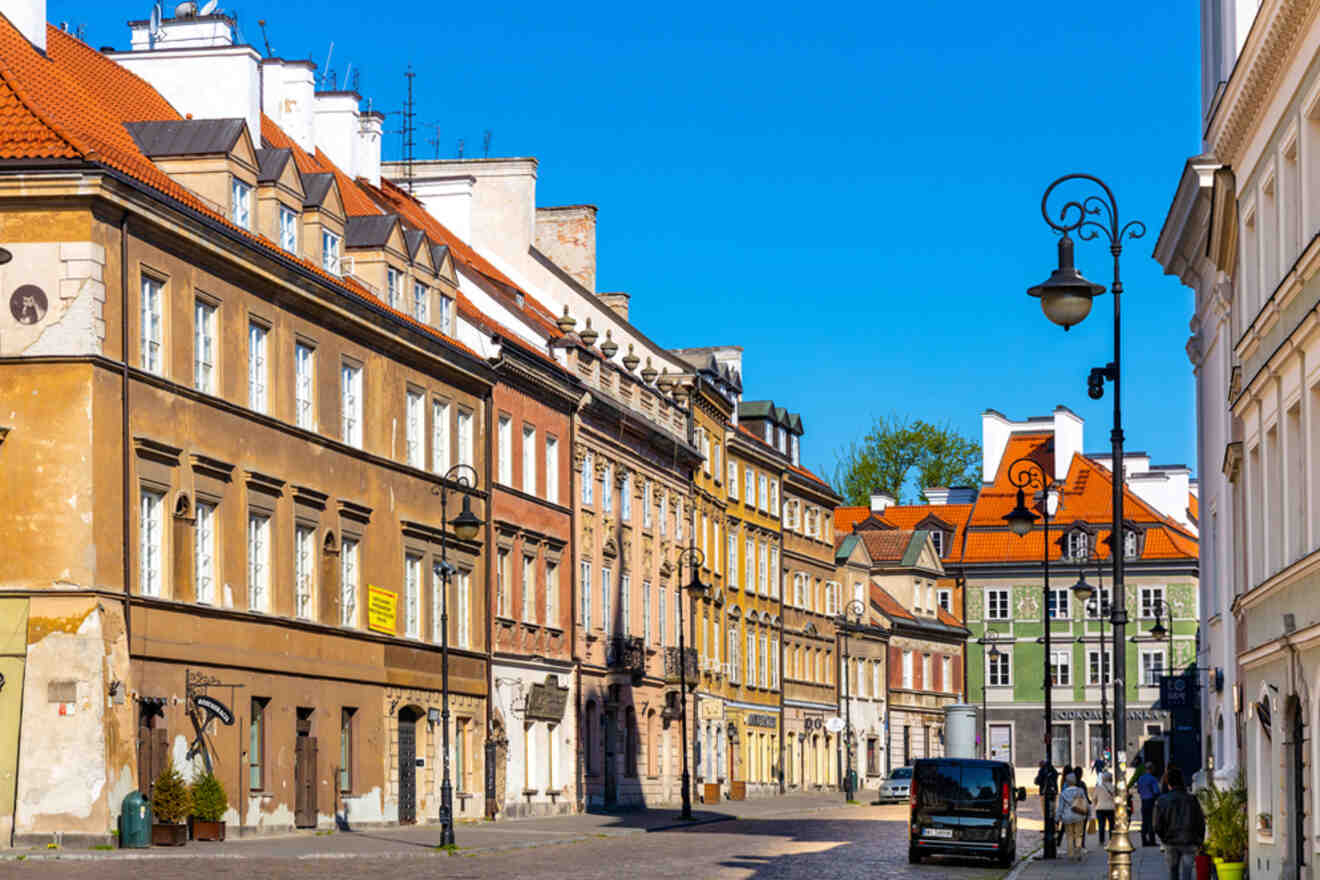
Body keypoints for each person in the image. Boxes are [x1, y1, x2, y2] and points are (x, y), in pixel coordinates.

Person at [1154, 766, 1205, 880]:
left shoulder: (1162, 800)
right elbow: (1200, 821)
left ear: (1168, 783)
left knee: (1173, 872)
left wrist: (1164, 838)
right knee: (1187, 873)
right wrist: (1199, 840)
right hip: (1190, 840)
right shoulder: (1192, 799)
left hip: (1171, 841)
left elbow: (1157, 825)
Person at [1056, 772, 1091, 861]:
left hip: (1067, 817)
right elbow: (1086, 803)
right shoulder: (1080, 791)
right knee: (1079, 835)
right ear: (1075, 781)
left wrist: (1057, 818)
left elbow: (1060, 807)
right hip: (1079, 815)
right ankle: (1078, 852)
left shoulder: (1063, 793)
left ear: (1067, 782)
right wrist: (1089, 814)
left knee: (1069, 835)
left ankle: (1071, 854)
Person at [1137, 763, 1162, 846]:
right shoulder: (1153, 779)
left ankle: (1144, 840)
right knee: (1151, 821)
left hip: (1143, 801)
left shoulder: (1140, 778)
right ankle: (1152, 840)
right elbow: (1156, 791)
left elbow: (1139, 791)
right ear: (1151, 769)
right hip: (1151, 801)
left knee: (1144, 821)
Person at [1094, 770, 1117, 845]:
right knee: (1111, 825)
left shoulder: (1098, 787)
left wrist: (1095, 806)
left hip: (1100, 808)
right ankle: (1112, 840)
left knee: (1101, 825)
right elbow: (1116, 798)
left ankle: (1101, 840)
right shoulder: (1114, 787)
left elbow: (1094, 798)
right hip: (1111, 808)